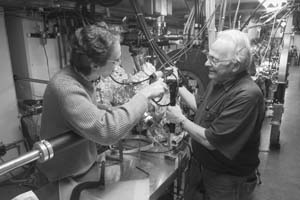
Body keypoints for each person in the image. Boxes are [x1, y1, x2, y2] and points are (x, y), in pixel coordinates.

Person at [37, 23, 167, 182]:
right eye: (116, 61)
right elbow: (107, 130)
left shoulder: (83, 78)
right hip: (62, 179)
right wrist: (144, 95)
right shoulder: (65, 87)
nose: (119, 65)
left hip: (83, 168)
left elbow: (89, 113)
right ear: (94, 65)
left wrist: (109, 110)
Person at [166, 29, 265, 200]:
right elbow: (201, 106)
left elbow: (211, 140)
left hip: (227, 179)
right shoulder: (220, 79)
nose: (206, 63)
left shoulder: (247, 96)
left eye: (214, 60)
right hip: (203, 168)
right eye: (208, 56)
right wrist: (176, 83)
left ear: (235, 65)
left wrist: (180, 119)